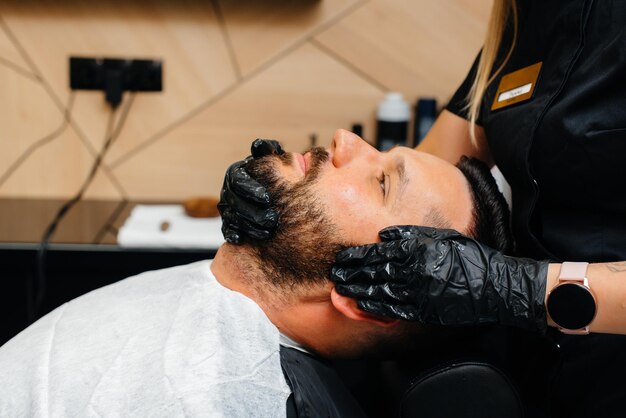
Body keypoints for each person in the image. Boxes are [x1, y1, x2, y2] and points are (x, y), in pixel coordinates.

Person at [221, 1, 626, 417]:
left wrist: (514, 287)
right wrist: (285, 197)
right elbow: (422, 180)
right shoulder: (523, 21)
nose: (342, 138)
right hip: (529, 362)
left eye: (381, 183)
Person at [0, 131, 518, 417]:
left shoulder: (204, 400)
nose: (345, 140)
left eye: (382, 182)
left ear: (372, 293)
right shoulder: (232, 303)